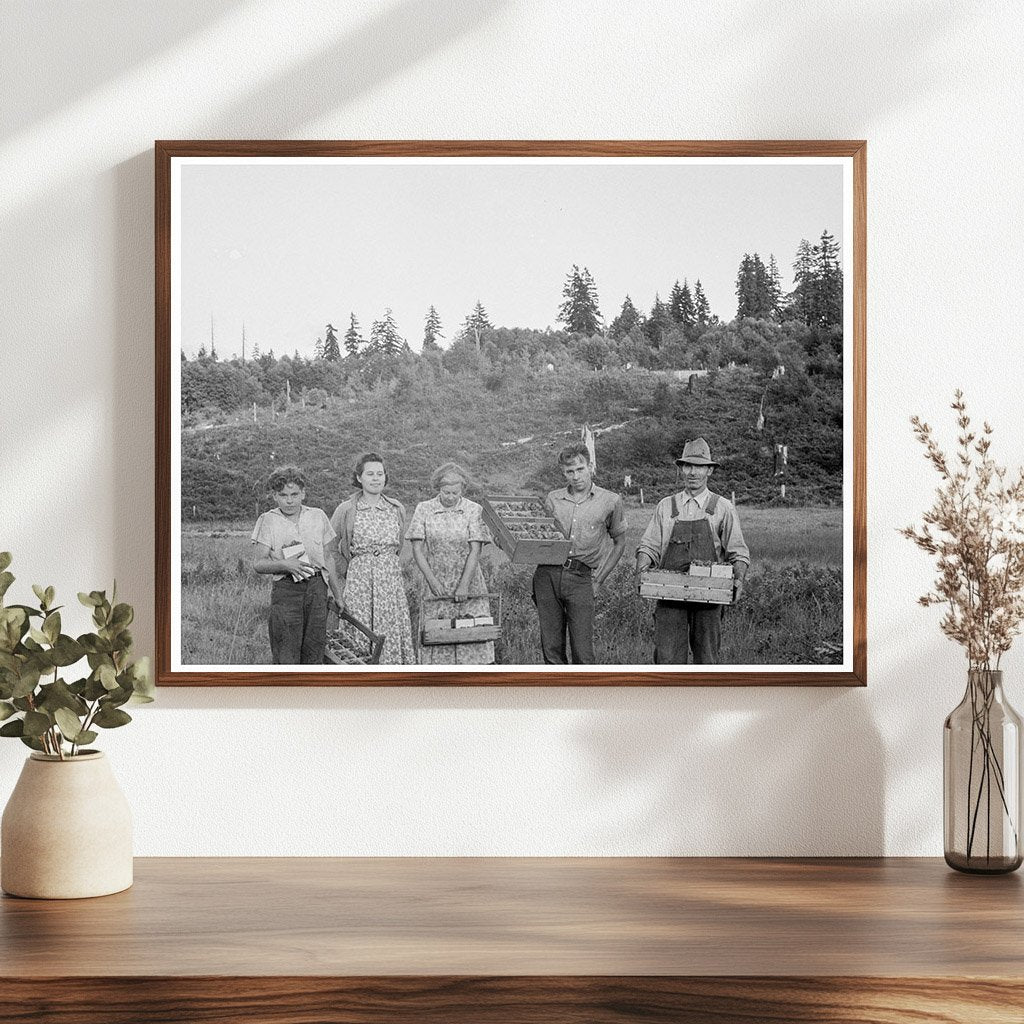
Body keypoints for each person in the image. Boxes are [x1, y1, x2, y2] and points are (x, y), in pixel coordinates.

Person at [635, 437, 750, 665]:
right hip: (669, 594)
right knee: (667, 658)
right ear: (681, 469)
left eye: (699, 466)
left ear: (709, 470)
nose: (692, 472)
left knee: (707, 658)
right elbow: (649, 546)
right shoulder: (666, 506)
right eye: (687, 466)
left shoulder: (722, 507)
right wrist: (641, 568)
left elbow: (737, 552)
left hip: (711, 594)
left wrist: (738, 579)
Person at [533, 441, 627, 664]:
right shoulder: (553, 499)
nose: (575, 476)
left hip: (582, 578)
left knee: (583, 650)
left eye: (579, 469)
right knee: (552, 647)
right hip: (547, 575)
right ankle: (558, 696)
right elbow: (540, 536)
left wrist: (599, 581)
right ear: (563, 472)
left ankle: (585, 696)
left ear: (590, 466)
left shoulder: (611, 500)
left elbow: (620, 542)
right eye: (569, 471)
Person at [329, 453, 415, 665]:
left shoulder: (396, 508)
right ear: (359, 478)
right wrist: (349, 570)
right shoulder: (347, 509)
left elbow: (398, 548)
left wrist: (386, 567)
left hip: (390, 584)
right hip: (360, 583)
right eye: (370, 474)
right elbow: (329, 549)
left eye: (380, 474)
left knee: (389, 632)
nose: (376, 478)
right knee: (360, 634)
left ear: (385, 477)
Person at [406, 462, 495, 665]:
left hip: (469, 577)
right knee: (437, 633)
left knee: (470, 630)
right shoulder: (424, 509)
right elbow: (417, 549)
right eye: (446, 492)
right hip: (435, 578)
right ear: (438, 488)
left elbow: (475, 550)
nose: (450, 497)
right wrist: (431, 581)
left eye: (455, 493)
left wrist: (464, 585)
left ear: (462, 489)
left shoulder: (473, 510)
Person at [251, 465, 340, 664]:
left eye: (294, 494)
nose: (289, 500)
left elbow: (328, 558)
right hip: (287, 591)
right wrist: (285, 564)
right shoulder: (268, 520)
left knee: (315, 650)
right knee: (286, 653)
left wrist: (338, 594)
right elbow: (259, 563)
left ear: (303, 493)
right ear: (274, 496)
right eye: (283, 495)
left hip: (317, 589)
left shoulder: (318, 516)